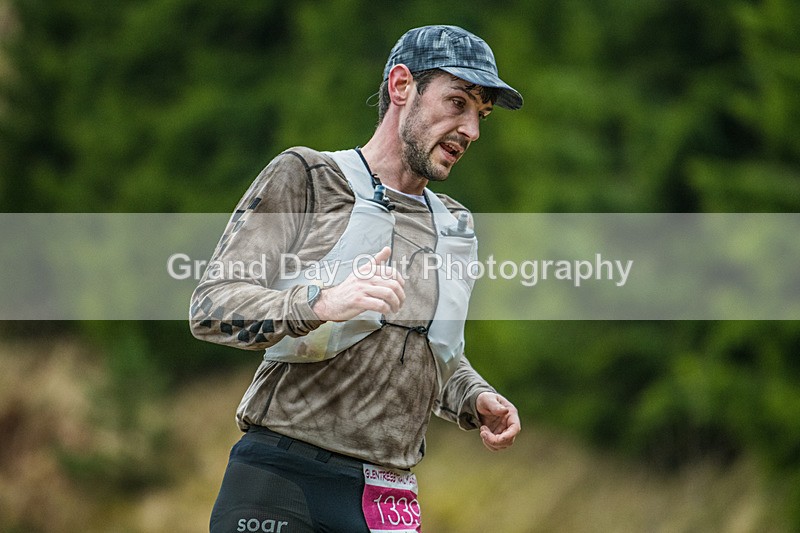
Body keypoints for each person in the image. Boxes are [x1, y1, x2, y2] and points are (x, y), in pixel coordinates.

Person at [190, 24, 523, 533]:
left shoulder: (456, 225)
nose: (472, 129)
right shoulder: (308, 176)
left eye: (482, 114)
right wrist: (318, 303)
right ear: (401, 86)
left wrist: (474, 397)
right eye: (457, 103)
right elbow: (211, 307)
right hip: (283, 478)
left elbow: (429, 354)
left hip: (390, 498)